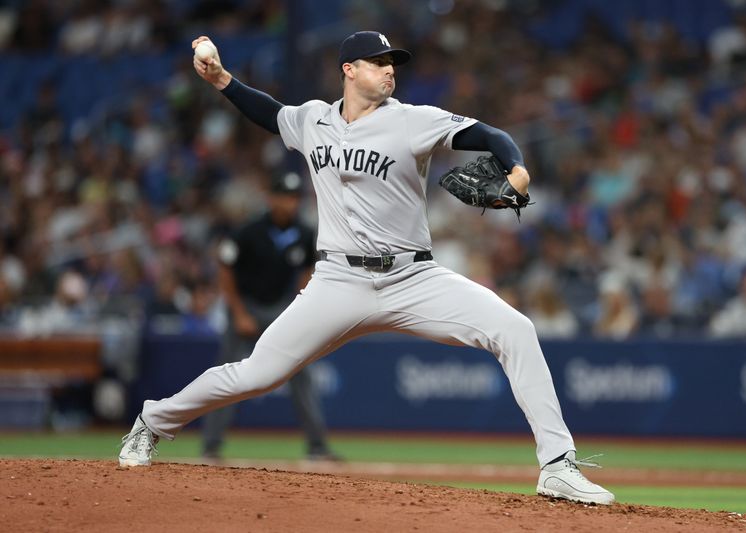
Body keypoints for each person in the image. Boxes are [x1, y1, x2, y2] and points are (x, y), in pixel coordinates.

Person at [119, 31, 614, 506]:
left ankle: (557, 466)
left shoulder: (412, 120)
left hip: (413, 278)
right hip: (338, 281)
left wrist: (517, 167)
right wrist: (223, 81)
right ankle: (152, 422)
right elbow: (271, 114)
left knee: (515, 328)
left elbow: (489, 134)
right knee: (257, 375)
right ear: (349, 71)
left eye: (393, 63)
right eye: (379, 63)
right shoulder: (313, 119)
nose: (390, 70)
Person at [202, 172, 338, 461]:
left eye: (294, 197)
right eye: (284, 196)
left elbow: (308, 272)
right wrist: (238, 313)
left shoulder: (304, 232)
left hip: (280, 308)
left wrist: (297, 310)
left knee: (301, 373)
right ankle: (211, 445)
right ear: (271, 198)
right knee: (229, 372)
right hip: (247, 306)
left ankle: (317, 446)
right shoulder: (248, 231)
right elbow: (225, 271)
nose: (289, 203)